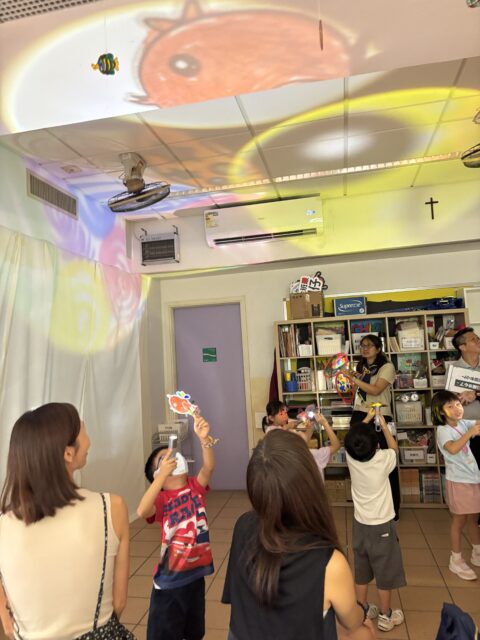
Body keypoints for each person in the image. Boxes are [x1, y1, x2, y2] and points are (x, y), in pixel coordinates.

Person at [222, 430, 376, 640]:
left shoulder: (243, 525)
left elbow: (236, 598)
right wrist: (364, 613)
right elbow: (351, 622)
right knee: (365, 633)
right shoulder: (329, 562)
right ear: (310, 483)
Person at [0, 403, 130, 640]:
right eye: (83, 428)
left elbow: (8, 624)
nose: (89, 439)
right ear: (68, 454)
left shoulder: (3, 525)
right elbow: (118, 602)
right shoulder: (111, 508)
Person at [136, 415, 216, 640]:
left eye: (174, 453)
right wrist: (160, 478)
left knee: (194, 632)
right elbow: (142, 511)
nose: (174, 456)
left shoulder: (194, 487)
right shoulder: (162, 499)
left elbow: (209, 467)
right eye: (164, 458)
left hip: (196, 577)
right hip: (169, 584)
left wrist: (204, 439)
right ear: (157, 474)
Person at [344, 410, 406, 633]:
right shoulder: (382, 459)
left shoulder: (350, 457)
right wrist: (383, 425)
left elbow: (351, 438)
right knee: (385, 571)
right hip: (382, 527)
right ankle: (385, 615)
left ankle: (361, 609)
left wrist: (367, 418)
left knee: (361, 569)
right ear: (376, 445)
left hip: (360, 525)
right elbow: (394, 449)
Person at [344, 334, 400, 519]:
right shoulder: (362, 368)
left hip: (380, 415)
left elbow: (376, 390)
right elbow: (361, 390)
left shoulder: (387, 367)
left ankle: (393, 509)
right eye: (362, 346)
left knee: (387, 460)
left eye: (369, 345)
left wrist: (353, 379)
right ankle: (365, 507)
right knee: (358, 459)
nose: (365, 349)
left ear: (378, 348)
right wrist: (352, 378)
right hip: (360, 413)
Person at [432, 390, 480, 580]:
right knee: (459, 521)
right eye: (450, 406)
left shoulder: (463, 423)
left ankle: (477, 552)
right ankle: (456, 559)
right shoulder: (443, 430)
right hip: (459, 481)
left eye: (458, 404)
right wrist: (470, 433)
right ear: (440, 411)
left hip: (473, 478)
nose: (456, 409)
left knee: (474, 518)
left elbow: (476, 424)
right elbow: (452, 448)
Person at [296, 410, 341, 479]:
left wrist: (311, 426)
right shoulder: (313, 455)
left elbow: (305, 439)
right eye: (297, 432)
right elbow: (336, 446)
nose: (299, 431)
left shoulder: (291, 455)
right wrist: (325, 423)